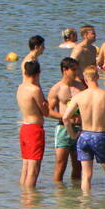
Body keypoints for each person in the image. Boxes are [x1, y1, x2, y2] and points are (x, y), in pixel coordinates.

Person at [62, 66, 105, 193]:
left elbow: (65, 118)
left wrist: (72, 134)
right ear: (97, 77)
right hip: (99, 135)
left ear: (85, 80)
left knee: (86, 176)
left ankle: (85, 208)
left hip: (84, 136)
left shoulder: (78, 97)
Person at [47, 57, 84, 183]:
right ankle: (59, 195)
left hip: (79, 128)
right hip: (63, 128)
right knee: (60, 164)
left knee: (78, 165)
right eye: (73, 69)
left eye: (77, 69)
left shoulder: (81, 87)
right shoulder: (56, 88)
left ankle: (76, 196)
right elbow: (49, 111)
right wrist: (64, 116)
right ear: (65, 70)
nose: (76, 72)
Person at [17, 60, 49, 188]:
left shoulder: (20, 87)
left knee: (25, 166)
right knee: (33, 170)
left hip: (24, 127)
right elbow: (45, 111)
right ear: (37, 74)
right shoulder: (35, 90)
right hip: (34, 129)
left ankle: (23, 197)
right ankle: (30, 201)